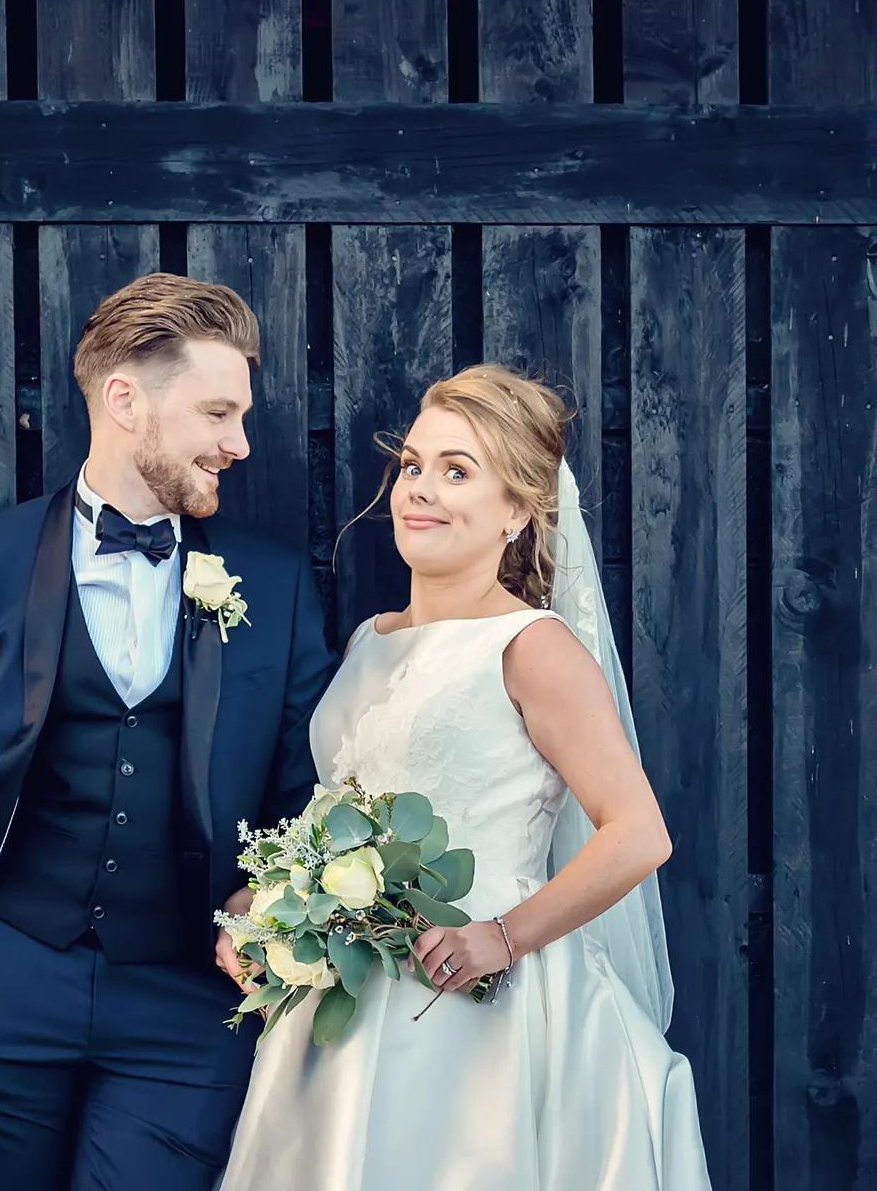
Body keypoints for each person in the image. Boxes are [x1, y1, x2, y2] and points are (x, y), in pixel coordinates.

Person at [0, 273, 336, 1190]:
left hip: (188, 1001)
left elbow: (303, 790)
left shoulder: (272, 584)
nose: (240, 443)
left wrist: (264, 921)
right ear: (125, 401)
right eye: (217, 413)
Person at [219, 364, 712, 1190]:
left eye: (458, 472)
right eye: (414, 465)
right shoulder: (368, 642)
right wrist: (265, 910)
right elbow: (340, 810)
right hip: (348, 996)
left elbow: (638, 834)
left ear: (518, 511)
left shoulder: (532, 647)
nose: (421, 490)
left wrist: (501, 937)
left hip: (479, 1001)